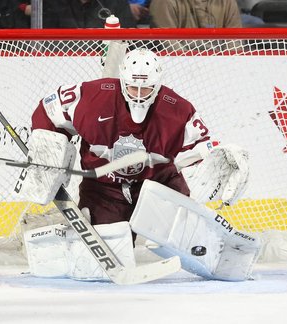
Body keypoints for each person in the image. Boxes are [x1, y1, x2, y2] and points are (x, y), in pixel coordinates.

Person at [22, 48, 256, 281]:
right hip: (104, 190)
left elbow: (202, 150)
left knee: (194, 243)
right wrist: (47, 148)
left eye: (147, 89)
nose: (139, 95)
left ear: (158, 86)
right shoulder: (92, 98)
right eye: (134, 87)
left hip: (159, 186)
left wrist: (223, 156)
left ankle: (222, 259)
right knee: (100, 263)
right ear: (123, 82)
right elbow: (49, 108)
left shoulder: (178, 110)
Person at [42, 0, 137, 28]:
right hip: (62, 63)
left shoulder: (116, 3)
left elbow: (132, 42)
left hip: (106, 63)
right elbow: (45, 44)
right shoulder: (54, 4)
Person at [149, 0, 242, 28]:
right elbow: (168, 44)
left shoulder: (228, 2)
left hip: (221, 66)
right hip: (180, 67)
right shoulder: (164, 2)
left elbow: (235, 44)